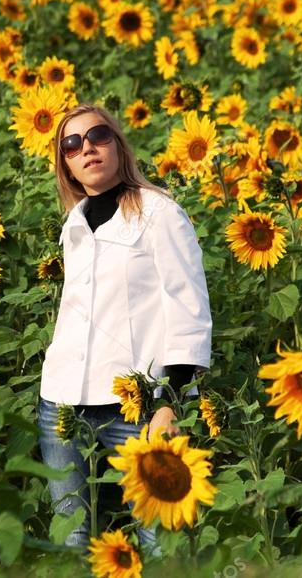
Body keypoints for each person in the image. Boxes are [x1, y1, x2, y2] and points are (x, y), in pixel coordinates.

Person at [36, 103, 212, 557]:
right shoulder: (73, 224)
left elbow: (189, 309)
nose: (86, 148)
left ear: (117, 144)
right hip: (63, 407)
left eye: (97, 136)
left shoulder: (159, 213)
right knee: (74, 542)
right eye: (72, 145)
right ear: (67, 166)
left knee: (160, 543)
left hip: (140, 409)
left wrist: (171, 402)